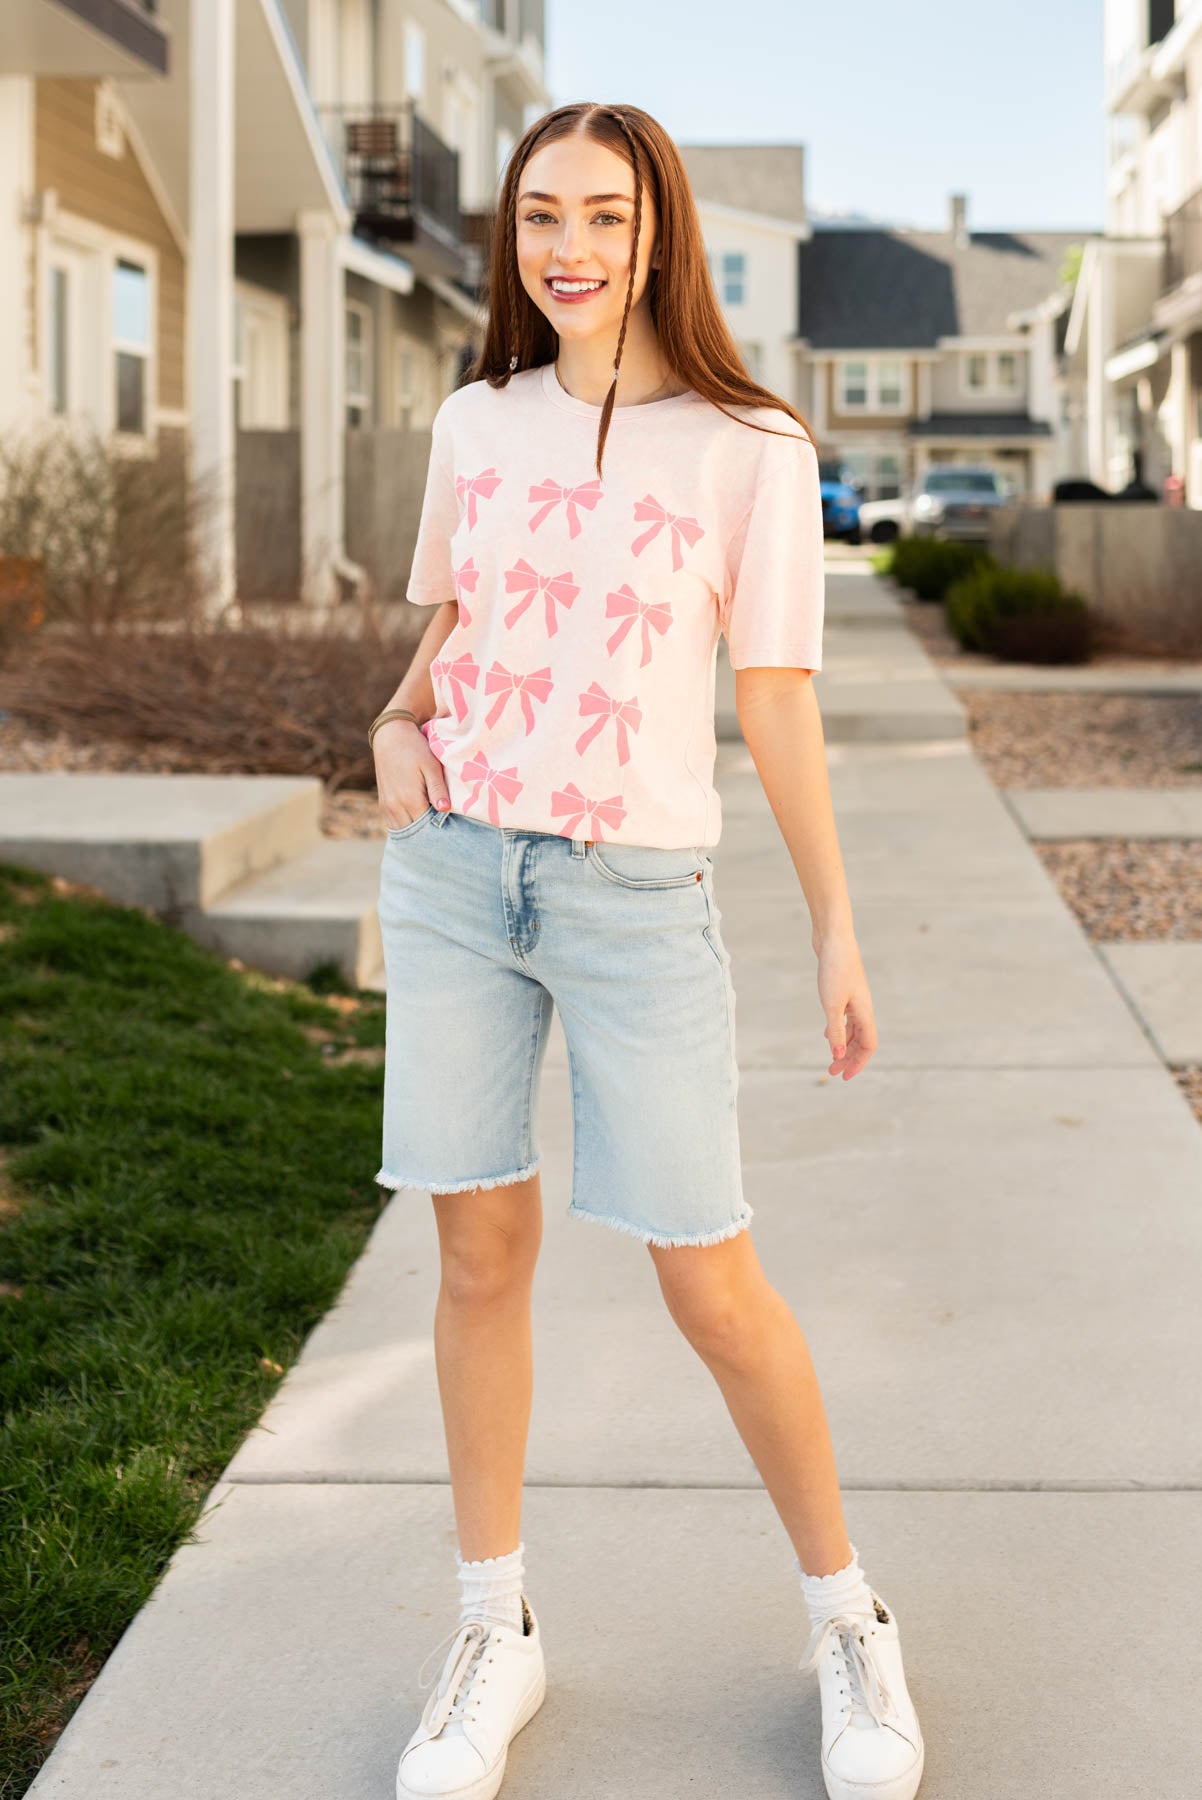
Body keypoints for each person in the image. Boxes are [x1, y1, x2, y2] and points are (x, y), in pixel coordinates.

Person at [369, 102, 925, 1800]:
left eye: (604, 217)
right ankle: (492, 1628)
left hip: (634, 900)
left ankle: (848, 1623)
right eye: (541, 217)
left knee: (707, 1274)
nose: (569, 248)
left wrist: (836, 927)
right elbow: (443, 635)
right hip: (457, 873)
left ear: (658, 234)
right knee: (477, 1260)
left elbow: (774, 702)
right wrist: (392, 728)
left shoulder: (748, 446)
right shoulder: (476, 420)